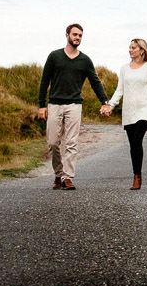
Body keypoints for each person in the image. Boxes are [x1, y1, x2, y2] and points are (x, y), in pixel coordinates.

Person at [37, 23, 109, 190]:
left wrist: (104, 101)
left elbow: (95, 82)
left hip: (74, 105)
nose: (78, 38)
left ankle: (67, 177)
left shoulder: (85, 60)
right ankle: (58, 174)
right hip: (55, 104)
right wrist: (42, 105)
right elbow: (44, 81)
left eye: (80, 36)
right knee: (53, 142)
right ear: (67, 35)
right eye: (75, 34)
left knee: (71, 143)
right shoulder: (54, 56)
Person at [100, 37, 147, 190]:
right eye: (130, 47)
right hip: (129, 111)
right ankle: (137, 173)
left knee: (137, 140)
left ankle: (137, 178)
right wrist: (110, 105)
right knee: (133, 145)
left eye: (133, 47)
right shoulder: (124, 68)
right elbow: (120, 90)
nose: (130, 50)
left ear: (142, 50)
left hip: (144, 110)